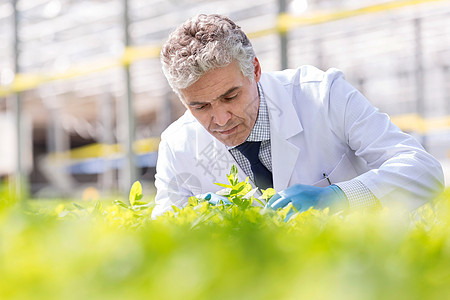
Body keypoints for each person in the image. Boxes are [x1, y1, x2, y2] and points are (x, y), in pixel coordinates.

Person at [151, 14, 444, 218]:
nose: (221, 119)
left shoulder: (324, 95)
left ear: (254, 70)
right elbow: (159, 238)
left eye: (231, 96)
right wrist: (192, 220)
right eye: (200, 106)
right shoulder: (177, 146)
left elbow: (424, 172)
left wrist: (340, 197)